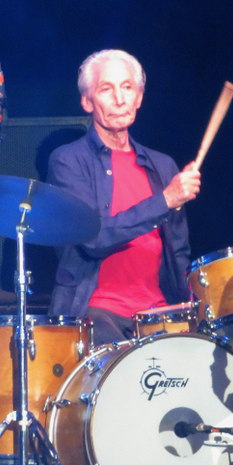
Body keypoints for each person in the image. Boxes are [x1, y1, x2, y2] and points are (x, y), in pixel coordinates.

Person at [47, 49, 201, 344]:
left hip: (158, 313)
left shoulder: (163, 165)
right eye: (106, 89)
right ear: (87, 101)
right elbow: (92, 238)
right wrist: (164, 201)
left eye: (127, 87)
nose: (119, 99)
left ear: (139, 98)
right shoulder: (68, 160)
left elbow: (178, 250)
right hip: (96, 312)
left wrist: (193, 307)